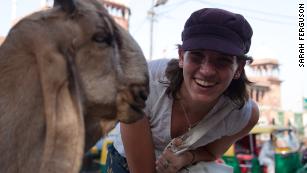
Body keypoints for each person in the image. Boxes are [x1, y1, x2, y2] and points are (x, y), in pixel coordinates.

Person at [106, 8, 259, 173]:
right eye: (196, 56)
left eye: (222, 61)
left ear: (239, 68)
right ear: (181, 57)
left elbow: (211, 152)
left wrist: (186, 157)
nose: (207, 71)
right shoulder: (143, 82)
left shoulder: (243, 114)